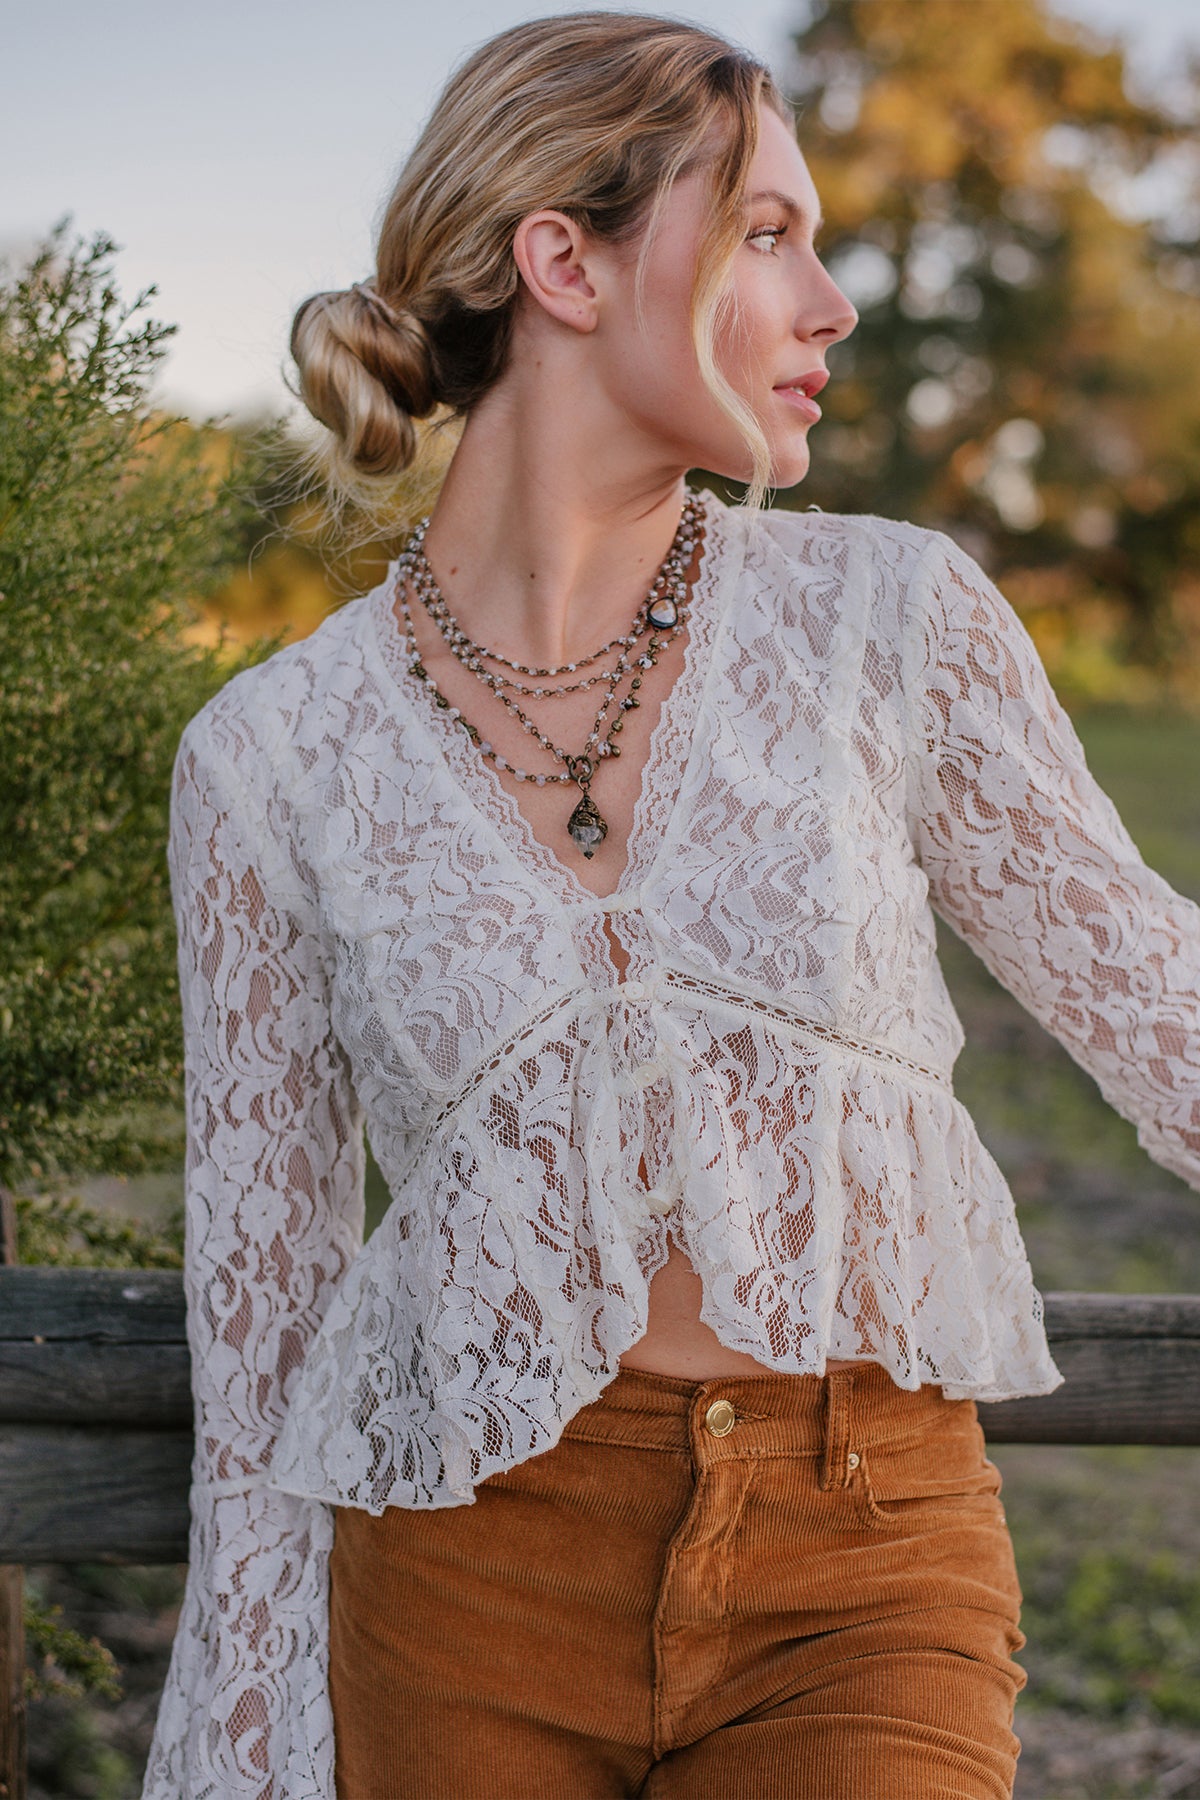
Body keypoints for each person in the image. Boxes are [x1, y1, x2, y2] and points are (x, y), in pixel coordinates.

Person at [143, 13, 1200, 1800]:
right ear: (562, 258)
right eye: (770, 232)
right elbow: (266, 1327)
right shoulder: (271, 755)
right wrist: (240, 1752)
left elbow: (1171, 1017)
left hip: (862, 1558)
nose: (833, 301)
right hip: (460, 1577)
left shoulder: (889, 622)